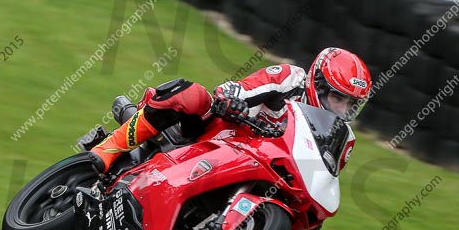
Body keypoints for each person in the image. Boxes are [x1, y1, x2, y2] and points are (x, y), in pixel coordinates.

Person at [89, 47, 372, 174]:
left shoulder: (337, 138)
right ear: (319, 84)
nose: (343, 108)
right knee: (192, 95)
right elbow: (237, 89)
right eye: (338, 98)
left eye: (350, 104)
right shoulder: (290, 78)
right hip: (218, 135)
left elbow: (321, 178)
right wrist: (232, 100)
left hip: (257, 170)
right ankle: (108, 149)